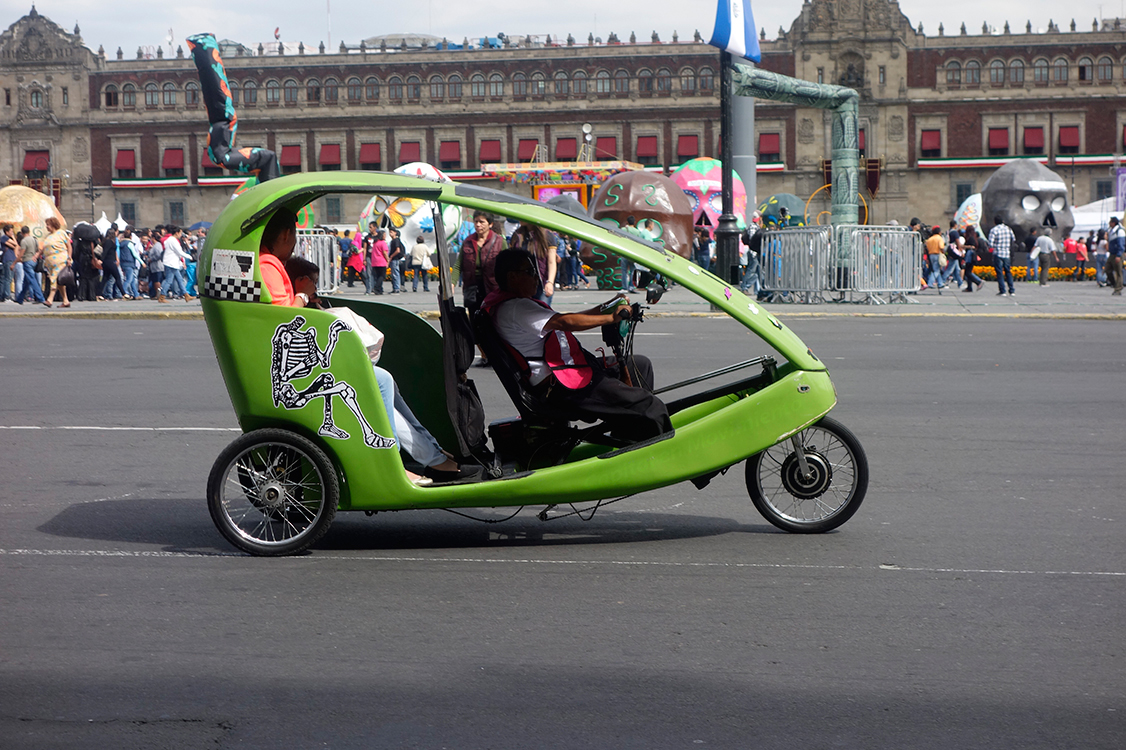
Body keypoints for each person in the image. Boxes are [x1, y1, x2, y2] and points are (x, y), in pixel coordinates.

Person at [263, 212, 476, 484]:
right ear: (285, 234)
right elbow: (284, 320)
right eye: (293, 236)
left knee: (386, 382)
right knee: (382, 381)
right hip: (294, 376)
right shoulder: (269, 266)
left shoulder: (274, 265)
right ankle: (394, 462)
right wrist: (303, 294)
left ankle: (431, 454)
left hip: (309, 366)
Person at [486, 249, 672, 442]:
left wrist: (605, 308)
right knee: (649, 406)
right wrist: (609, 318)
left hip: (567, 371)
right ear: (512, 277)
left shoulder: (513, 305)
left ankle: (629, 432)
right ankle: (654, 443)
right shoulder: (516, 308)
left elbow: (568, 318)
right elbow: (565, 322)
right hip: (563, 387)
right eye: (530, 272)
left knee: (639, 366)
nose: (537, 277)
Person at [510, 221, 558, 302]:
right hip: (523, 283)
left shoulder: (547, 235)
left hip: (542, 283)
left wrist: (550, 282)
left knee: (542, 308)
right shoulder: (517, 235)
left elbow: (552, 262)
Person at [41, 216, 72, 308]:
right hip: (50, 263)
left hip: (60, 260)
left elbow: (69, 246)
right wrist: (37, 255)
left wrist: (69, 257)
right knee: (59, 281)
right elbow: (43, 248)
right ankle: (65, 301)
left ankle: (50, 299)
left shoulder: (61, 233)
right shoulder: (48, 236)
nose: (46, 226)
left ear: (53, 224)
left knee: (54, 278)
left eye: (48, 225)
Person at [14, 224, 45, 306]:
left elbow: (21, 254)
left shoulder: (24, 241)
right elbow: (38, 250)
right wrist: (36, 256)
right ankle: (20, 298)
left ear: (22, 233)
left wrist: (14, 263)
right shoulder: (34, 240)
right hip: (34, 261)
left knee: (32, 279)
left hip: (27, 261)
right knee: (26, 281)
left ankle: (40, 298)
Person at [988, 215, 1016, 297]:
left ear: (994, 222)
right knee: (1008, 272)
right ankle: (1011, 290)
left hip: (998, 253)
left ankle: (1002, 290)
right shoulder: (1008, 229)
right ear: (1003, 221)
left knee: (999, 272)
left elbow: (990, 243)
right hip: (1007, 253)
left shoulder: (994, 230)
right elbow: (1013, 239)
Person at [99, 226, 125, 300]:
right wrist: (101, 259)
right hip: (110, 262)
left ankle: (99, 294)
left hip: (107, 262)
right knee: (118, 277)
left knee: (105, 279)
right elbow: (105, 251)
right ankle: (124, 294)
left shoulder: (106, 241)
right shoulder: (109, 241)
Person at [961, 226, 985, 292]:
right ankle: (969, 287)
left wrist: (964, 246)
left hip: (970, 257)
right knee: (968, 271)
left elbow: (972, 246)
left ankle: (978, 281)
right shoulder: (973, 237)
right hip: (971, 256)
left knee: (967, 272)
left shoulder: (971, 238)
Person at [119, 227, 141, 299]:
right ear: (131, 236)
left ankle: (136, 294)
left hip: (123, 263)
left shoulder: (121, 243)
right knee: (129, 279)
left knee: (132, 280)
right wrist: (142, 262)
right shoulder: (129, 243)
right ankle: (123, 293)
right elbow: (135, 254)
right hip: (129, 263)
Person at [924, 225, 947, 292]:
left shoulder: (930, 239)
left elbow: (927, 248)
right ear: (939, 232)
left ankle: (940, 283)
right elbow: (941, 247)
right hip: (937, 254)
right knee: (936, 270)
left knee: (936, 269)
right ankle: (930, 283)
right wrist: (943, 253)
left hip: (931, 255)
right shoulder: (939, 238)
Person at [1107, 216, 1125, 295]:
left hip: (1117, 254)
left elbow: (1121, 244)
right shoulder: (1112, 231)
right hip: (1112, 254)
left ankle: (1118, 289)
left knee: (1118, 272)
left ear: (1113, 223)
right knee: (1107, 269)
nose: (1109, 224)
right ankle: (1115, 284)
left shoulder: (1120, 231)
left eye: (1110, 222)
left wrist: (1119, 255)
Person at [0, 224, 16, 303]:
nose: (12, 233)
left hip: (9, 259)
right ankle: (7, 296)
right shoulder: (4, 237)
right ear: (7, 232)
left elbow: (14, 246)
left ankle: (3, 295)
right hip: (8, 259)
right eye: (11, 231)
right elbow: (15, 244)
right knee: (8, 278)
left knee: (5, 278)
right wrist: (13, 237)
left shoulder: (6, 238)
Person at [370, 228, 389, 295]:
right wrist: (387, 259)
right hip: (381, 261)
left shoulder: (375, 242)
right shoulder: (382, 243)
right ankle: (377, 287)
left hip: (375, 261)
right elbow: (384, 252)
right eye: (384, 235)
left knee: (377, 276)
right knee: (382, 276)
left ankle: (379, 289)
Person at [387, 228, 405, 293]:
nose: (390, 234)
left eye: (391, 232)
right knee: (394, 274)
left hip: (395, 259)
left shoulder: (396, 240)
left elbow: (398, 250)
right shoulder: (392, 241)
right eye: (389, 232)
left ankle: (397, 288)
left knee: (395, 274)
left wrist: (391, 256)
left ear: (395, 233)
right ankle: (395, 287)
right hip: (394, 259)